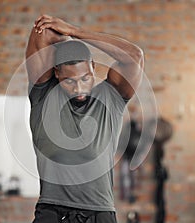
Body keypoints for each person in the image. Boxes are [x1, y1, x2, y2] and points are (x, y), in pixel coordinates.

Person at [25, 14, 144, 223]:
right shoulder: (43, 96)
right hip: (52, 213)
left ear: (93, 68)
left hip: (99, 214)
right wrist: (67, 42)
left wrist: (75, 32)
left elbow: (134, 55)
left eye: (85, 78)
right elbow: (43, 32)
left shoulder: (111, 97)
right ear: (56, 73)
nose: (79, 88)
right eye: (69, 80)